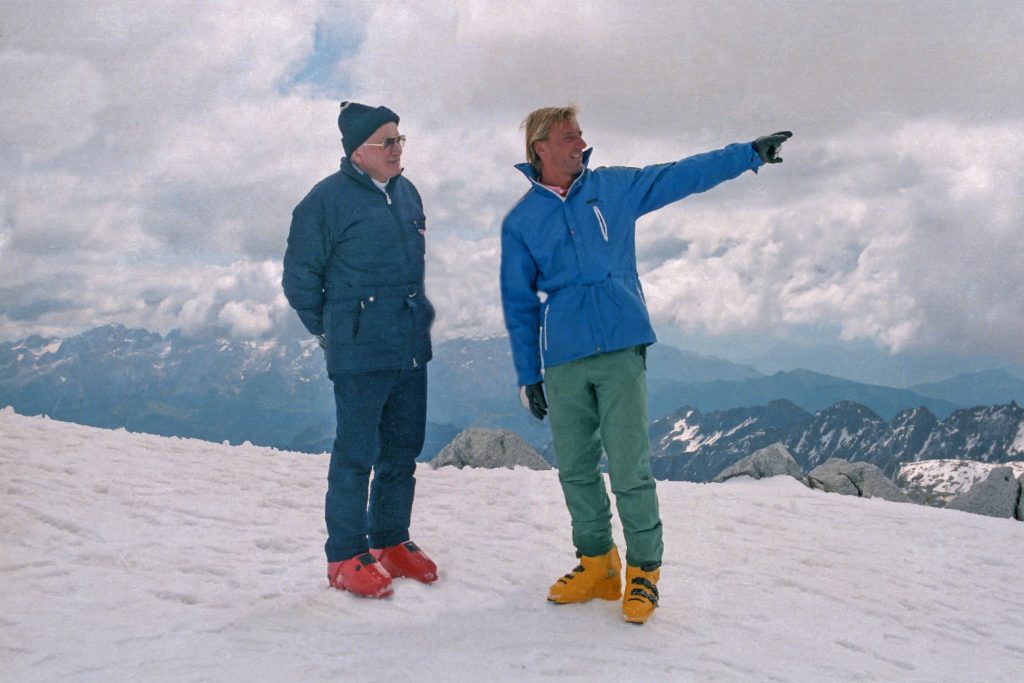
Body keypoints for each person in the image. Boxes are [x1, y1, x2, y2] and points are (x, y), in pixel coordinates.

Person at [500, 105, 790, 624]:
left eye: (581, 135)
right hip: (563, 357)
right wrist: (529, 374)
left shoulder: (614, 188)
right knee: (576, 470)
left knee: (629, 467)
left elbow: (681, 175)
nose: (581, 143)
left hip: (620, 345)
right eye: (569, 137)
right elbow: (519, 303)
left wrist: (748, 154)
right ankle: (598, 565)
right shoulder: (521, 220)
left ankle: (644, 574)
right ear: (540, 147)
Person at [282, 101, 438, 599]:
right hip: (360, 351)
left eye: (399, 139)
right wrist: (333, 328)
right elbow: (299, 279)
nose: (397, 149)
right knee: (356, 455)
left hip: (409, 343)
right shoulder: (324, 202)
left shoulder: (407, 193)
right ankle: (345, 555)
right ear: (357, 152)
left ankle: (390, 540)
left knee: (402, 450)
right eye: (386, 142)